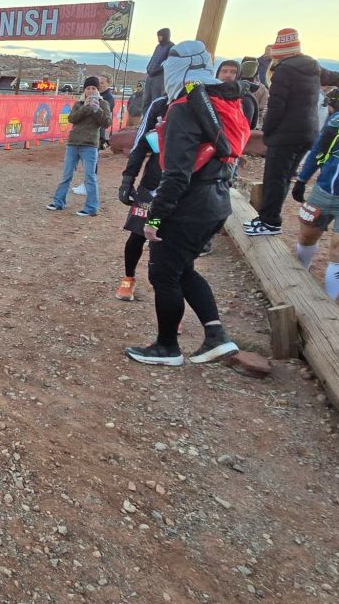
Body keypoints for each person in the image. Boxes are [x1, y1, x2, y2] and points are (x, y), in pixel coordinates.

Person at [124, 41, 251, 366]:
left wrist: (154, 219)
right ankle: (216, 336)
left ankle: (167, 347)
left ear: (178, 70)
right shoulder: (219, 101)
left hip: (189, 205)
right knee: (184, 270)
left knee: (164, 274)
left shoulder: (185, 107)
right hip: (215, 200)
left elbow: (177, 174)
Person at [244, 28, 339, 237]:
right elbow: (338, 78)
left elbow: (276, 106)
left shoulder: (283, 70)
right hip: (308, 132)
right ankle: (268, 218)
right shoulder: (312, 66)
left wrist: (267, 132)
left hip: (285, 134)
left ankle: (269, 222)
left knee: (274, 178)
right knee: (284, 178)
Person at [292, 81, 339, 300]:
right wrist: (302, 179)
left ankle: (328, 302)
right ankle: (300, 277)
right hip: (322, 192)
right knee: (306, 238)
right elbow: (317, 150)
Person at [115, 90, 168, 300]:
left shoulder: (204, 103)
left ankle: (168, 290)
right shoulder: (160, 104)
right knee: (138, 234)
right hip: (153, 185)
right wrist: (128, 179)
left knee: (168, 239)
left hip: (182, 189)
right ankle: (128, 278)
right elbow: (140, 144)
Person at [46, 77, 110, 216]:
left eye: (94, 88)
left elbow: (106, 123)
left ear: (98, 90)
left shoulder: (103, 104)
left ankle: (91, 207)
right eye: (88, 88)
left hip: (90, 145)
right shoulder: (79, 104)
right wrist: (85, 108)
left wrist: (97, 110)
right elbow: (72, 118)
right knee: (66, 175)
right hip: (73, 143)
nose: (91, 91)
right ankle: (58, 202)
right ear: (84, 90)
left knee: (90, 177)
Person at [215, 59, 259, 129]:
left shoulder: (245, 97)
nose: (228, 75)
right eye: (224, 71)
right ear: (217, 73)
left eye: (233, 72)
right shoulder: (211, 92)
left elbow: (245, 127)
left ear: (239, 74)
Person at [142, 28, 175, 106]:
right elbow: (153, 58)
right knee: (146, 98)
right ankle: (145, 113)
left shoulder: (171, 47)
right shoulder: (158, 46)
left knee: (155, 99)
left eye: (160, 36)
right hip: (150, 75)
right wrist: (148, 67)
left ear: (165, 36)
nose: (158, 38)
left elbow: (168, 62)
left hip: (159, 77)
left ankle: (155, 113)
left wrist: (157, 70)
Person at [239, 57, 267, 127]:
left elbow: (262, 110)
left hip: (252, 125)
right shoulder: (233, 85)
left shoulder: (262, 89)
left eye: (253, 66)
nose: (250, 68)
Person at [99, 75, 116, 148]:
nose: (99, 85)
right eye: (99, 82)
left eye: (102, 83)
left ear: (108, 84)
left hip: (99, 132)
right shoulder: (96, 93)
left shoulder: (109, 98)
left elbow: (104, 116)